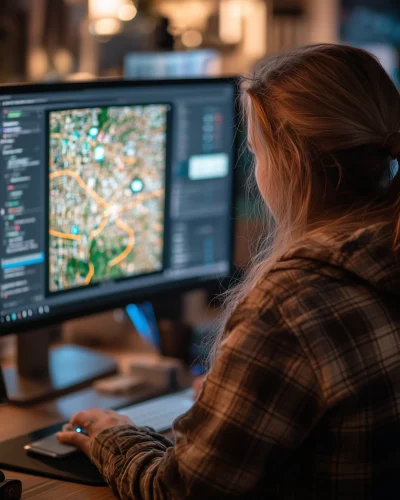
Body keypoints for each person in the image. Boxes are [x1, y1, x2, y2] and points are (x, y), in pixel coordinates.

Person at [57, 44, 400, 499]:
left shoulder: (289, 306)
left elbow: (179, 491)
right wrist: (233, 405)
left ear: (290, 163)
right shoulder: (386, 249)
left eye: (256, 154)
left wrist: (110, 436)